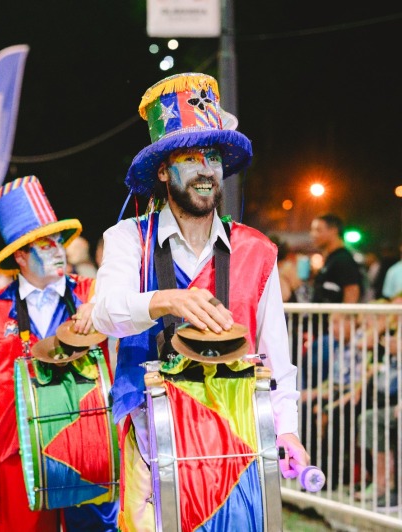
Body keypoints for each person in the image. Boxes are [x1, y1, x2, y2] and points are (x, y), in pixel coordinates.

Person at [88, 73, 308, 530]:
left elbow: (278, 359)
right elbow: (105, 312)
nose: (207, 169)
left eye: (213, 156)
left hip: (238, 446)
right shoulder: (129, 239)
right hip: (154, 443)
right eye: (191, 157)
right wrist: (166, 300)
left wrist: (286, 428)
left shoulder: (256, 250)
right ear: (164, 171)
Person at [0, 175, 118, 532]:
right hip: (16, 456)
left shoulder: (95, 293)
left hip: (91, 451)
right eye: (45, 244)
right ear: (21, 256)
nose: (58, 249)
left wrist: (102, 307)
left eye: (58, 241)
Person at [310, 213, 363, 304]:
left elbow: (352, 291)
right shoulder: (332, 258)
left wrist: (342, 315)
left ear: (333, 230)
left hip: (334, 317)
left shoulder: (343, 259)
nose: (313, 235)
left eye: (318, 230)